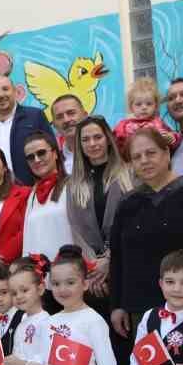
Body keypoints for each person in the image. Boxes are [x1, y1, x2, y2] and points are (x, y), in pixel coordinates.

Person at [108, 127, 183, 338]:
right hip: (140, 309)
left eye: (151, 153)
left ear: (167, 153)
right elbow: (118, 257)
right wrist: (117, 305)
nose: (144, 160)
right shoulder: (127, 203)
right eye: (137, 157)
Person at [66, 116, 134, 300]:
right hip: (93, 276)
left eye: (98, 137)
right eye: (85, 140)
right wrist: (94, 268)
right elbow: (76, 230)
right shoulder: (74, 184)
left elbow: (133, 223)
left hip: (125, 265)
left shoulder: (130, 174)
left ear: (108, 139)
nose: (92, 144)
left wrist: (109, 260)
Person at [0, 72, 57, 183]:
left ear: (15, 91)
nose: (1, 95)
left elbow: (52, 151)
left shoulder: (35, 116)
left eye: (5, 89)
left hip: (33, 190)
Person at [20, 131, 73, 258]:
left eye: (41, 153)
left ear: (55, 153)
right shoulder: (32, 195)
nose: (36, 160)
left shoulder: (72, 185)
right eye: (30, 157)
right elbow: (28, 239)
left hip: (69, 268)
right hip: (40, 273)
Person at [113, 77, 177, 160]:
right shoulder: (124, 125)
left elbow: (174, 139)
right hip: (133, 163)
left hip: (157, 163)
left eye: (149, 104)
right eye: (138, 104)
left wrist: (172, 137)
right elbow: (115, 144)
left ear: (156, 106)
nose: (144, 107)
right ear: (131, 107)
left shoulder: (159, 123)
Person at [49, 94, 88, 173]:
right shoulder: (55, 163)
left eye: (71, 113)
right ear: (54, 125)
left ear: (85, 116)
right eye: (59, 117)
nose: (66, 120)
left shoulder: (105, 152)